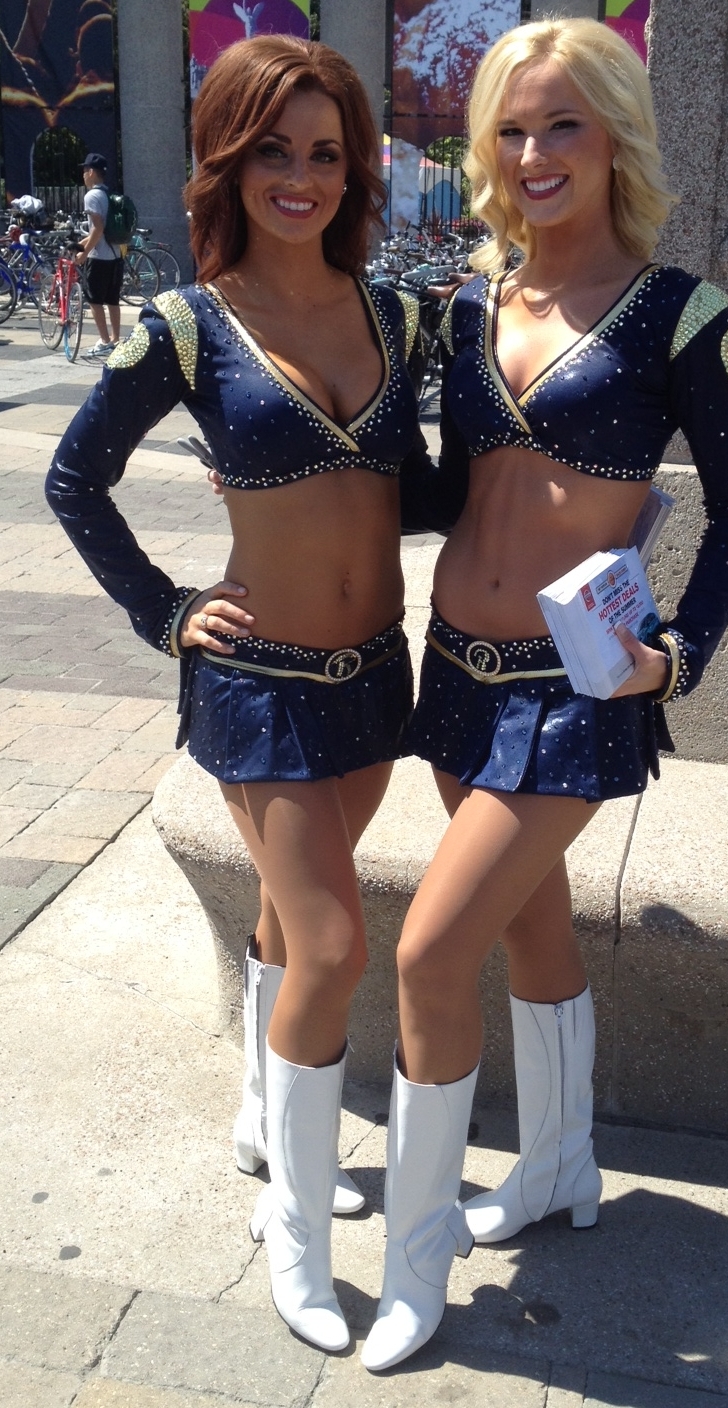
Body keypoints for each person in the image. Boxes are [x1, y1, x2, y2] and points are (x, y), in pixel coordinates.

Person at [361, 17, 728, 1372]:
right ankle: (561, 1166)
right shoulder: (469, 301)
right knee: (530, 930)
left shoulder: (680, 311)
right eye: (512, 128)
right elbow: (439, 488)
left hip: (574, 691)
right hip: (455, 672)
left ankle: (414, 1265)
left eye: (563, 125)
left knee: (427, 951)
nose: (533, 154)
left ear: (613, 138)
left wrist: (679, 656)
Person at [45, 36, 425, 1355]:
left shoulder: (399, 318)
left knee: (281, 916)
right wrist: (163, 611)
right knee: (331, 944)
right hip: (254, 686)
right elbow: (71, 482)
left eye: (325, 152)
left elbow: (418, 490)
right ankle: (301, 1241)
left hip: (380, 681)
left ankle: (268, 1113)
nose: (301, 177)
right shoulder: (185, 327)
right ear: (226, 155)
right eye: (272, 148)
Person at [77, 153, 124, 357]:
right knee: (113, 299)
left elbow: (98, 228)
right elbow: (102, 230)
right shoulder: (109, 194)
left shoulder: (91, 196)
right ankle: (115, 338)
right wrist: (83, 242)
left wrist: (84, 253)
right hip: (116, 254)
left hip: (99, 257)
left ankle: (104, 341)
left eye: (85, 171)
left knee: (95, 301)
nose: (84, 176)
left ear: (91, 172)